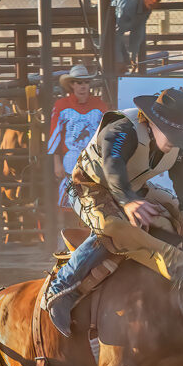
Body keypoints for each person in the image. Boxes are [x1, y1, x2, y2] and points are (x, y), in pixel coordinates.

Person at [43, 88, 183, 337]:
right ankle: (61, 288)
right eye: (172, 131)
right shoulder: (123, 128)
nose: (176, 139)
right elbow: (113, 164)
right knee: (115, 227)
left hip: (134, 188)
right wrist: (128, 201)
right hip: (89, 186)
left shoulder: (182, 143)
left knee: (182, 217)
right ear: (153, 122)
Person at [47, 64, 110, 243]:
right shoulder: (61, 106)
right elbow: (54, 135)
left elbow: (105, 134)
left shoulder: (100, 106)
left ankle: (92, 241)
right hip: (69, 162)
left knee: (94, 204)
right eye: (78, 82)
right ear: (72, 85)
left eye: (86, 82)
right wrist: (56, 162)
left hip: (94, 163)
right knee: (68, 204)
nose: (82, 86)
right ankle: (67, 242)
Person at [111, 0, 170, 74]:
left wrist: (133, 56)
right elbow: (115, 35)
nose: (154, 1)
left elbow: (137, 31)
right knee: (111, 60)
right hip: (97, 28)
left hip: (113, 32)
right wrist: (118, 61)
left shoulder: (147, 8)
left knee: (124, 64)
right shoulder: (127, 7)